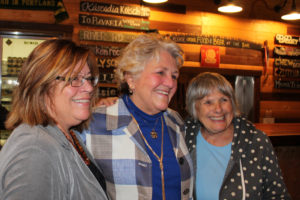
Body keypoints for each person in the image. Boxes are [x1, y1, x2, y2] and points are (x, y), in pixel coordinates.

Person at [85, 34, 193, 200]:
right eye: (160, 73)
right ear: (131, 79)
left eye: (174, 76)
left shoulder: (175, 121)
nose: (170, 83)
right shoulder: (95, 124)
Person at [0, 39, 108, 200]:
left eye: (89, 78)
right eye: (75, 78)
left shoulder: (70, 135)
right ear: (41, 85)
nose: (90, 88)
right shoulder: (34, 148)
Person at [184, 72, 291, 199]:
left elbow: (278, 195)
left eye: (224, 99)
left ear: (233, 103)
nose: (218, 109)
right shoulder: (184, 139)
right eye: (208, 102)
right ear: (194, 108)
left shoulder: (256, 141)